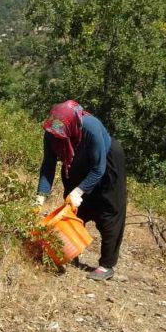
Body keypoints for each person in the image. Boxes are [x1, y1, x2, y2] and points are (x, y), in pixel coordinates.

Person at [35, 100, 126, 281]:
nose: (57, 138)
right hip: (74, 160)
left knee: (109, 210)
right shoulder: (52, 133)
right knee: (74, 209)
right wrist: (40, 196)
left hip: (106, 162)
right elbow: (48, 166)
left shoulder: (91, 129)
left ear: (73, 125)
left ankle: (106, 265)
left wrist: (79, 191)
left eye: (62, 136)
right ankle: (71, 252)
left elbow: (98, 169)